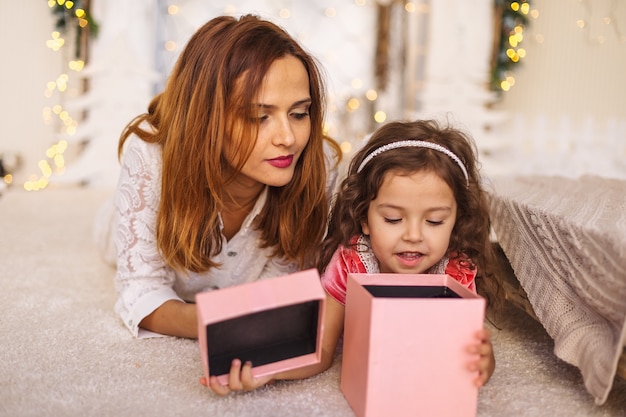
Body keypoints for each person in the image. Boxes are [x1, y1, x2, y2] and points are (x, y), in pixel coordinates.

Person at [104, 14, 341, 394]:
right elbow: (140, 290)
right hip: (117, 227)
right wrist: (224, 323)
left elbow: (283, 285)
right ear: (208, 118)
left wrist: (247, 330)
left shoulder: (319, 165)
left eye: (299, 113)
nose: (288, 137)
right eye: (259, 116)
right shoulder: (151, 158)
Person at [315, 119, 503, 388]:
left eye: (434, 221)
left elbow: (466, 353)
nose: (413, 236)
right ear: (364, 219)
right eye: (393, 219)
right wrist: (269, 371)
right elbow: (321, 350)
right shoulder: (351, 262)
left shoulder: (454, 272)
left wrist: (485, 362)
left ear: (456, 221)